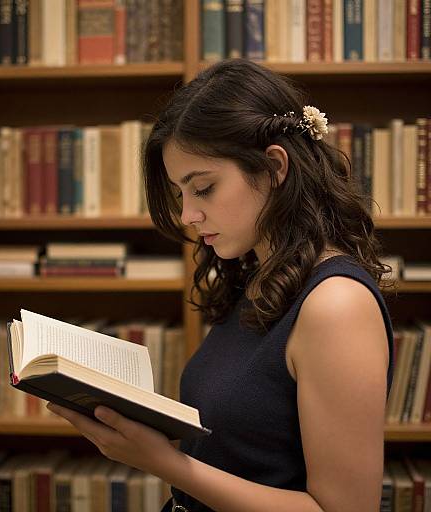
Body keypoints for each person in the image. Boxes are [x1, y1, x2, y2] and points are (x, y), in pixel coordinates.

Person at [47, 59, 394, 512]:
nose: (188, 215)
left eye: (204, 188)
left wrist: (166, 463)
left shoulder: (337, 305)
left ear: (273, 167)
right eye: (180, 193)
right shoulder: (263, 276)